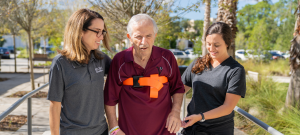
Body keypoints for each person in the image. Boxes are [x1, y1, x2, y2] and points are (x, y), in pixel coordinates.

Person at [104, 14, 185, 135]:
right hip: (128, 132)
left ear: (155, 36)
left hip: (165, 131)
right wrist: (113, 128)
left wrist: (176, 111)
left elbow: (178, 88)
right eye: (138, 36)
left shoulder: (167, 57)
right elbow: (110, 99)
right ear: (129, 37)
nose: (144, 42)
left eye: (148, 36)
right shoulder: (119, 60)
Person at [47, 8, 112, 135]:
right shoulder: (60, 63)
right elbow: (54, 106)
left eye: (102, 32)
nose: (101, 37)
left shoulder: (101, 59)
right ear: (80, 31)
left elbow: (124, 73)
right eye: (97, 32)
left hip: (101, 131)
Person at [181, 22, 246, 135]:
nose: (211, 49)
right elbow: (178, 90)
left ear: (228, 43)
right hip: (191, 128)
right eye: (208, 44)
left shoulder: (235, 70)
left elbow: (228, 107)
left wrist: (200, 117)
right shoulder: (197, 63)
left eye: (216, 45)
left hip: (218, 131)